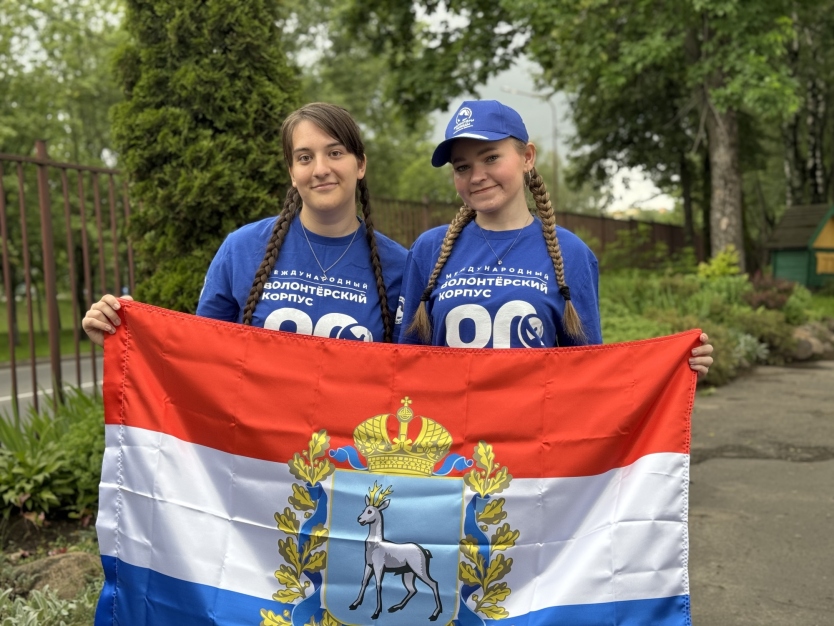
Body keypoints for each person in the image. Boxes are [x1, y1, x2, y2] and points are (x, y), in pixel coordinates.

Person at [397, 99, 713, 377]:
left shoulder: (570, 253)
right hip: (450, 427)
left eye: (491, 158)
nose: (476, 176)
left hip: (534, 426)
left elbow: (589, 372)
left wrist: (674, 367)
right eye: (462, 166)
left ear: (527, 157)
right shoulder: (428, 249)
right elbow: (405, 366)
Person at [82, 102, 407, 345]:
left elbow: (410, 372)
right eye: (305, 158)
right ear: (292, 174)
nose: (320, 169)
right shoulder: (242, 248)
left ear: (360, 165)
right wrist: (126, 335)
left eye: (335, 153)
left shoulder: (401, 266)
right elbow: (200, 353)